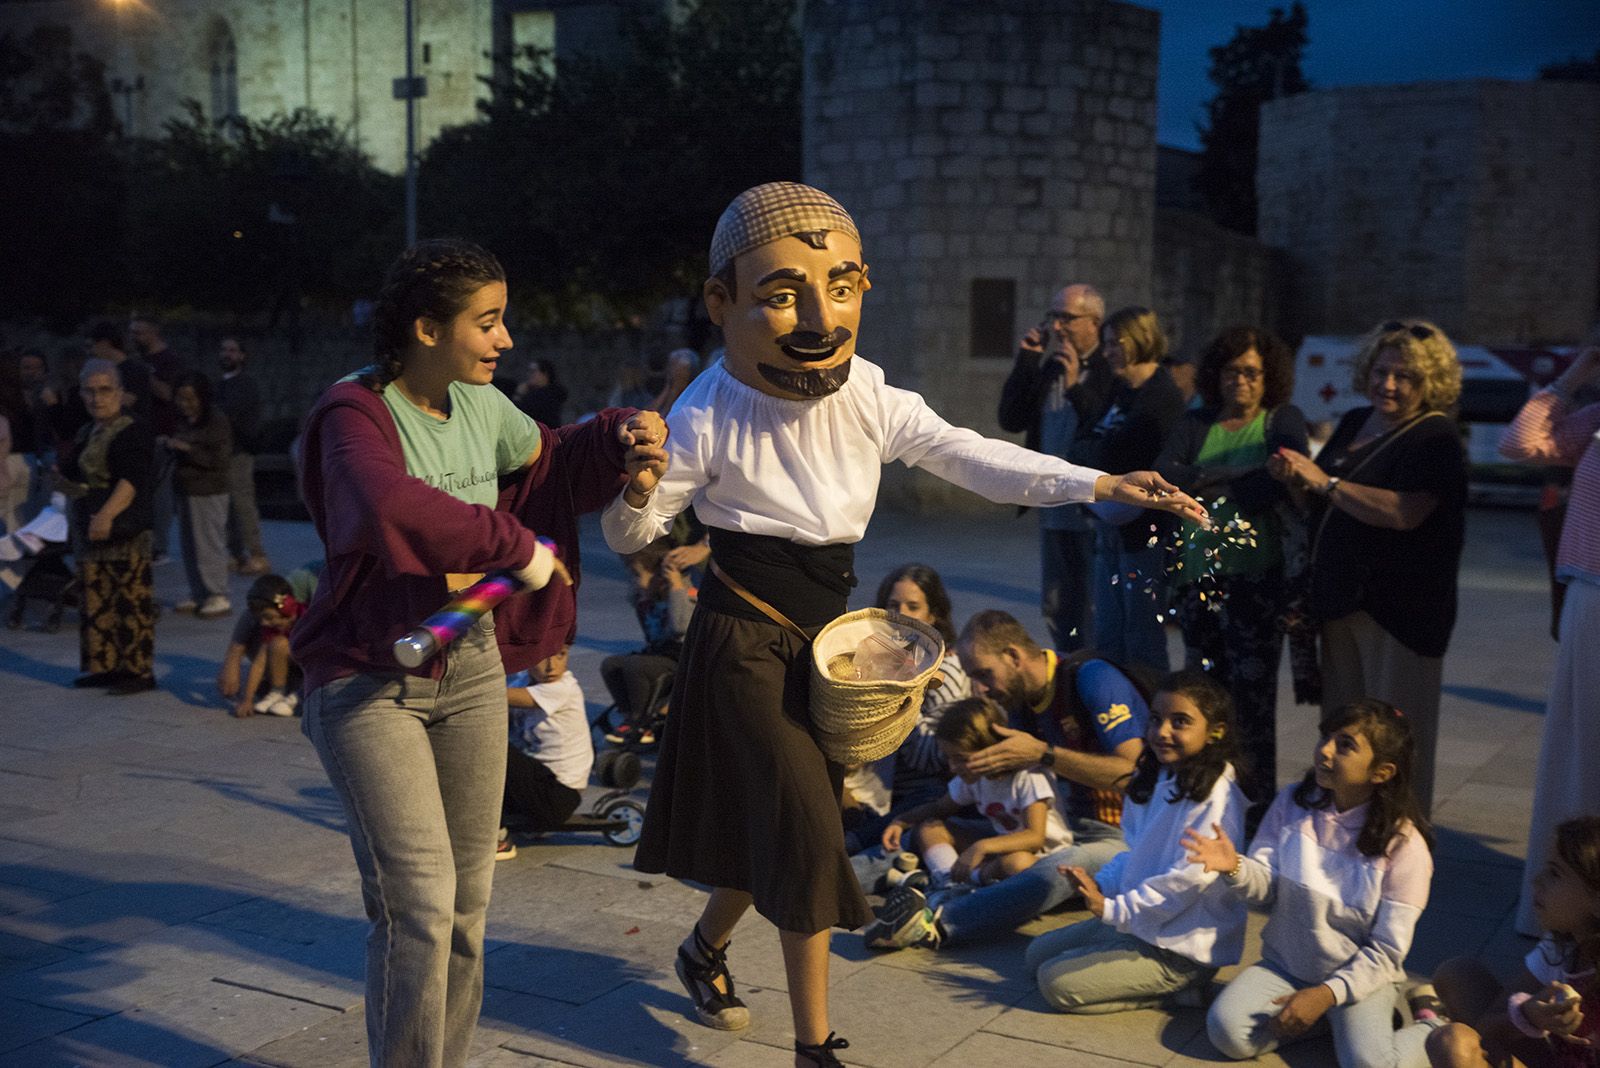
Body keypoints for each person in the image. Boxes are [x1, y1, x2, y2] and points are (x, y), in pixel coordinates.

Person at [598, 182, 1206, 1068]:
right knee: (808, 824)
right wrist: (641, 492)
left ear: (864, 286)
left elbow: (970, 454)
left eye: (841, 287)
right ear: (721, 302)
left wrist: (1102, 483)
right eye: (783, 294)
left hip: (830, 643)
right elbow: (632, 536)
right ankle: (813, 1048)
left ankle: (702, 948)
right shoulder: (704, 409)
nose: (821, 316)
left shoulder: (869, 392)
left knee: (783, 824)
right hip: (742, 638)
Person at [291, 238, 666, 1068]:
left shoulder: (480, 403)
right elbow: (387, 503)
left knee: (466, 904)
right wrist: (514, 545)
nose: (505, 339)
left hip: (469, 664)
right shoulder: (354, 412)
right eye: (487, 321)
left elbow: (552, 460)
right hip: (366, 680)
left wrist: (617, 437)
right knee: (419, 904)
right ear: (427, 328)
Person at [1268, 319, 1467, 817]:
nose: (1389, 384)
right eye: (1381, 372)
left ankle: (1398, 836)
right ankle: (1345, 830)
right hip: (1341, 605)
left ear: (1430, 382)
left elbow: (1405, 512)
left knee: (1393, 738)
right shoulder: (1357, 420)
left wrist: (1326, 482)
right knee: (1345, 731)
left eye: (1405, 376)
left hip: (1399, 614)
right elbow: (1323, 500)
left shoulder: (1435, 437)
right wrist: (1297, 479)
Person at [864, 610, 1152, 952]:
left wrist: (1044, 754)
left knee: (1058, 869)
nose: (981, 689)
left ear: (1014, 656)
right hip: (1056, 824)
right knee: (928, 826)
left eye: (984, 674)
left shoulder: (1091, 678)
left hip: (1119, 835)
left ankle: (938, 921)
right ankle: (837, 881)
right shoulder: (1018, 699)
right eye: (974, 678)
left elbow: (1133, 775)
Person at [1191, 699, 1442, 1066]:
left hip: (1361, 978)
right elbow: (1267, 889)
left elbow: (1387, 951)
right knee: (1226, 1031)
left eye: (1345, 745)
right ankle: (1327, 1023)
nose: (1324, 750)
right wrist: (1235, 868)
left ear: (1382, 772)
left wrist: (1326, 994)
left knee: (1369, 1065)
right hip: (1287, 967)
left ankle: (1433, 1023)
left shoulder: (1406, 847)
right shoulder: (1293, 802)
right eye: (1326, 737)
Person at [1026, 670, 1247, 1013]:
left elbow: (1187, 880)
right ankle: (1125, 967)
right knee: (1035, 956)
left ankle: (1183, 989)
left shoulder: (1217, 794)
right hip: (1142, 925)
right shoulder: (1158, 773)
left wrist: (1115, 910)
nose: (1162, 732)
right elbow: (1135, 851)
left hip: (1178, 949)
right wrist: (1101, 885)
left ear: (1215, 731)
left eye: (1180, 722)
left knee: (1055, 984)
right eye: (1156, 719)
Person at [1156, 326, 1309, 807]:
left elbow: (1274, 483)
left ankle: (1254, 808)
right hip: (1198, 580)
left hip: (1256, 583)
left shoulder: (1280, 421)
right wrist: (1235, 477)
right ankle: (1204, 800)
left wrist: (1210, 482)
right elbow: (1168, 475)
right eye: (1230, 371)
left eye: (1251, 372)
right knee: (1200, 699)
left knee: (1252, 705)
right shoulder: (1195, 422)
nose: (1240, 380)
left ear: (1268, 377)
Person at [1500, 345, 1600, 937]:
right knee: (1576, 751)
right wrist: (1576, 375)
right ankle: (1566, 906)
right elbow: (1519, 443)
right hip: (1588, 595)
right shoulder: (1596, 421)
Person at [1426, 816, 1600, 1068]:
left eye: (1555, 873)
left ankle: (1425, 1021)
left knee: (1453, 1046)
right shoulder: (1561, 947)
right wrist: (1529, 1015)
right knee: (1457, 975)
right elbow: (1486, 1028)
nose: (1536, 880)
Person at [1073, 305, 1189, 672]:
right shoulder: (1120, 389)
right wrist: (1096, 452)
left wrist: (1096, 452)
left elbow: (1121, 451)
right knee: (1108, 633)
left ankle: (1148, 700)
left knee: (1142, 637)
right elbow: (1081, 442)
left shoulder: (1161, 396)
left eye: (1114, 343)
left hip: (1144, 533)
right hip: (1110, 522)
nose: (1107, 352)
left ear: (1139, 340)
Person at [998, 283, 1109, 653]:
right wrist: (1027, 361)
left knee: (1095, 606)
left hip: (1095, 507)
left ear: (1094, 322)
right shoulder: (1050, 367)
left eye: (1067, 318)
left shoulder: (1110, 368)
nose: (1057, 327)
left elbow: (1105, 428)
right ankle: (1069, 667)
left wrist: (1075, 386)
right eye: (1053, 317)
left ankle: (1095, 670)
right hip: (1052, 503)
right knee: (1057, 604)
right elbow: (1011, 419)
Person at [843, 563, 971, 851]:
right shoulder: (875, 660)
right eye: (893, 605)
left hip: (920, 797)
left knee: (931, 796)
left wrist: (902, 694)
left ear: (933, 616)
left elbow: (934, 756)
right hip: (874, 790)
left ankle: (857, 846)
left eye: (913, 607)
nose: (901, 615)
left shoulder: (946, 669)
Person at [879, 696, 1070, 889]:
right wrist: (901, 821)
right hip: (1001, 851)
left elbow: (1035, 838)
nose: (953, 767)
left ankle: (970, 880)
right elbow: (940, 808)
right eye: (949, 758)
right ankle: (950, 883)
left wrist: (981, 847)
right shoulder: (975, 777)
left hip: (1044, 858)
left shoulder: (1028, 776)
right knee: (930, 828)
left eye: (961, 758)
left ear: (990, 748)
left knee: (1016, 862)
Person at [55, 359, 157, 694]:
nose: (97, 398)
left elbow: (132, 478)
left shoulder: (131, 428)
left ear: (120, 392)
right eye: (90, 391)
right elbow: (78, 473)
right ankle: (106, 666)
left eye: (105, 390)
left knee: (128, 599)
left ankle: (138, 671)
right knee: (96, 599)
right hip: (91, 524)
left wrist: (106, 514)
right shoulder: (88, 430)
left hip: (123, 525)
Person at [599, 536, 697, 745]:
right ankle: (629, 715)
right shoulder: (648, 599)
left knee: (637, 666)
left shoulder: (685, 594)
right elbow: (652, 636)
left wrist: (676, 586)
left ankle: (641, 720)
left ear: (661, 575)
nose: (634, 581)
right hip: (660, 654)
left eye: (637, 574)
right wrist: (643, 600)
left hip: (683, 659)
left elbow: (681, 626)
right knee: (611, 665)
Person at [499, 644, 591, 858]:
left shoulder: (563, 688)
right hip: (539, 784)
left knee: (493, 749)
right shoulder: (523, 683)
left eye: (561, 655)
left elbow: (496, 695)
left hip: (558, 795)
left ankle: (499, 838)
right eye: (542, 657)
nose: (551, 666)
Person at [162, 371, 234, 617]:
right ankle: (200, 592)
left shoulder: (216, 420)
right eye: (180, 398)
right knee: (191, 545)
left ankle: (217, 593)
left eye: (190, 398)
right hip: (187, 489)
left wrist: (187, 449)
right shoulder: (184, 420)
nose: (184, 404)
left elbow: (219, 459)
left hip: (209, 490)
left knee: (208, 543)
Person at [218, 568, 318, 718]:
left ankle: (299, 695)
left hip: (315, 667)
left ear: (288, 606)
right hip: (295, 663)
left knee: (316, 654)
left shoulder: (307, 618)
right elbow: (259, 663)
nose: (264, 623)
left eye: (268, 617)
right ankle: (277, 692)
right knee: (277, 644)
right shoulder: (272, 628)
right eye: (262, 618)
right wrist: (247, 699)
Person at [216, 336, 272, 576]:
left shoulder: (245, 385)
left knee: (242, 503)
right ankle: (236, 553)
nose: (227, 354)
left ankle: (257, 554)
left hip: (238, 451)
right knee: (226, 506)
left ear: (242, 355)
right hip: (221, 452)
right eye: (224, 349)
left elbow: (233, 416)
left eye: (232, 350)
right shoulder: (221, 384)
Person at [129, 315, 184, 562]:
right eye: (132, 333)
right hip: (140, 433)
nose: (134, 338)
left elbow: (168, 394)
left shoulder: (169, 361)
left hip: (162, 435)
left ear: (154, 332)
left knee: (161, 493)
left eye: (139, 333)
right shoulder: (138, 360)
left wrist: (145, 375)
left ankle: (159, 546)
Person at [512, 358, 568, 426]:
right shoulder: (553, 394)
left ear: (545, 374)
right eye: (529, 371)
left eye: (533, 371)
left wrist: (518, 395)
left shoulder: (543, 397)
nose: (529, 374)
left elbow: (517, 415)